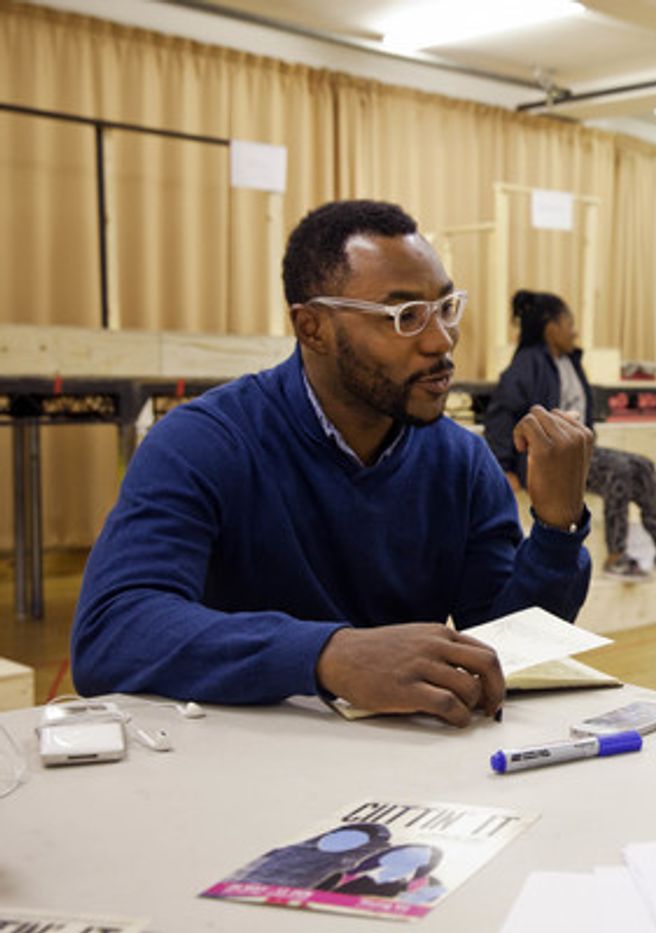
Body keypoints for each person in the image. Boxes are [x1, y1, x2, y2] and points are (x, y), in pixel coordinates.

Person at [71, 200, 594, 726]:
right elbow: (113, 633)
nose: (440, 341)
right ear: (312, 328)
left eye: (445, 308)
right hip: (235, 759)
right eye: (404, 317)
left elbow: (500, 645)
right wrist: (328, 655)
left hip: (403, 768)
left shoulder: (461, 461)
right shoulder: (203, 443)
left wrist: (555, 528)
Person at [484, 289, 656, 581]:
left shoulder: (571, 362)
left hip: (577, 450)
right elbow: (501, 415)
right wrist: (504, 467)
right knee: (620, 471)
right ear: (551, 328)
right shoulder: (527, 364)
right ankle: (616, 556)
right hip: (546, 458)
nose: (574, 332)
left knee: (644, 466)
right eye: (569, 323)